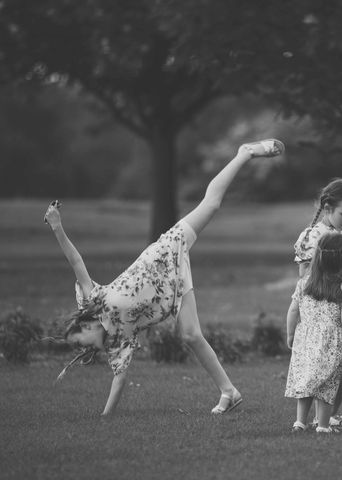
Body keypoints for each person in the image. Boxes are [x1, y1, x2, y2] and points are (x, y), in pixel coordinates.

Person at [44, 139, 285, 416]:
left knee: (212, 204)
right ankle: (229, 392)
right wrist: (104, 417)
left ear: (83, 327)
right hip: (172, 290)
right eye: (82, 348)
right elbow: (119, 380)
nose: (84, 346)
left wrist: (57, 227)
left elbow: (75, 260)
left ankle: (244, 153)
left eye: (79, 340)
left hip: (163, 253)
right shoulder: (118, 344)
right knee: (192, 335)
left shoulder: (93, 300)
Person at [293, 178, 342, 427]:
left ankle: (326, 415)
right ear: (327, 208)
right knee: (319, 366)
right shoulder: (311, 236)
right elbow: (304, 276)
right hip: (321, 311)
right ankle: (318, 419)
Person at [284, 233, 342, 433]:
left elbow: (293, 311)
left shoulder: (304, 283)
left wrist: (290, 335)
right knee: (327, 384)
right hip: (331, 342)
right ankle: (323, 426)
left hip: (305, 339)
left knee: (306, 380)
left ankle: (299, 422)